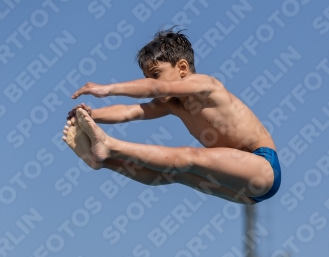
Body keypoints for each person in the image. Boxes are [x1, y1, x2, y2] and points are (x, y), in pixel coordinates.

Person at [63, 29, 281, 205]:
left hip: (262, 167)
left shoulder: (205, 85)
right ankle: (104, 161)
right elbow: (130, 112)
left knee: (189, 156)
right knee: (176, 174)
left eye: (155, 74)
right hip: (244, 193)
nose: (149, 82)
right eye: (146, 77)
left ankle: (110, 145)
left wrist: (108, 88)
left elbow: (156, 87)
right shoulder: (173, 104)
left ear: (183, 68)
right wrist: (90, 115)